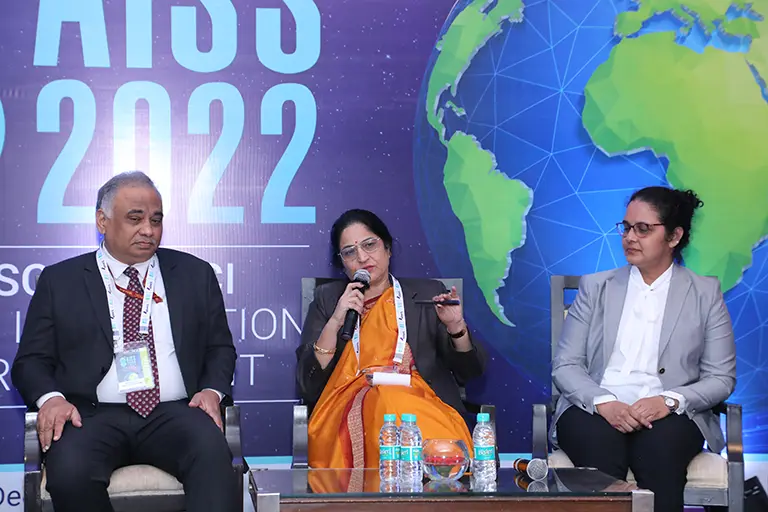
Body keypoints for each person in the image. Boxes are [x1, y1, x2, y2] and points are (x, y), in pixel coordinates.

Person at [11, 171, 239, 512]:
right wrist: (52, 399)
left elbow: (220, 348)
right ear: (102, 221)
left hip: (175, 412)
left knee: (212, 455)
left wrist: (211, 391)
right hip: (89, 416)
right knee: (70, 472)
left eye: (156, 220)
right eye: (135, 218)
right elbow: (30, 361)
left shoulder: (195, 274)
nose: (148, 230)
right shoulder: (61, 280)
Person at [551, 186, 736, 511]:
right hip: (594, 408)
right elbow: (566, 365)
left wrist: (669, 400)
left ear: (674, 236)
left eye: (643, 229)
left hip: (671, 414)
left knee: (659, 449)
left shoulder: (705, 293)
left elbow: (721, 378)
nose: (630, 238)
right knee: (600, 445)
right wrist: (604, 402)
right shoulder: (596, 287)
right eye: (626, 228)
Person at [296, 209, 487, 469]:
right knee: (385, 401)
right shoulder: (328, 300)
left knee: (397, 405)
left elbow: (470, 371)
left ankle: (439, 472)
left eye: (369, 245)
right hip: (348, 408)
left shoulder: (427, 294)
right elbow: (308, 384)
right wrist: (336, 320)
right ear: (342, 263)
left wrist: (456, 327)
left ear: (388, 249)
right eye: (350, 252)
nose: (362, 257)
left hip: (423, 403)